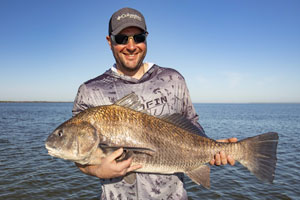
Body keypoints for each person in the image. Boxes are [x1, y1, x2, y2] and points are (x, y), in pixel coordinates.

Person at [72, 7, 237, 200]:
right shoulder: (90, 91)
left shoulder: (173, 79)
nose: (131, 46)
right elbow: (77, 152)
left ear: (146, 38)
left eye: (138, 37)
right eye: (122, 39)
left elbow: (191, 123)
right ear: (110, 42)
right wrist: (97, 170)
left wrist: (213, 148)